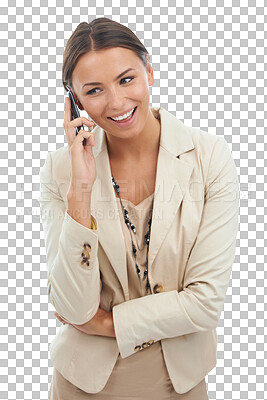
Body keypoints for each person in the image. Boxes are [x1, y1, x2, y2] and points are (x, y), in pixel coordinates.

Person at [38, 17, 239, 400]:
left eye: (127, 79)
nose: (116, 103)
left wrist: (108, 323)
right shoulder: (61, 171)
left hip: (179, 381)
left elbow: (205, 303)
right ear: (75, 102)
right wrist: (80, 190)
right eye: (94, 90)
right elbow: (72, 306)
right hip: (83, 384)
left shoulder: (209, 157)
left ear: (148, 69)